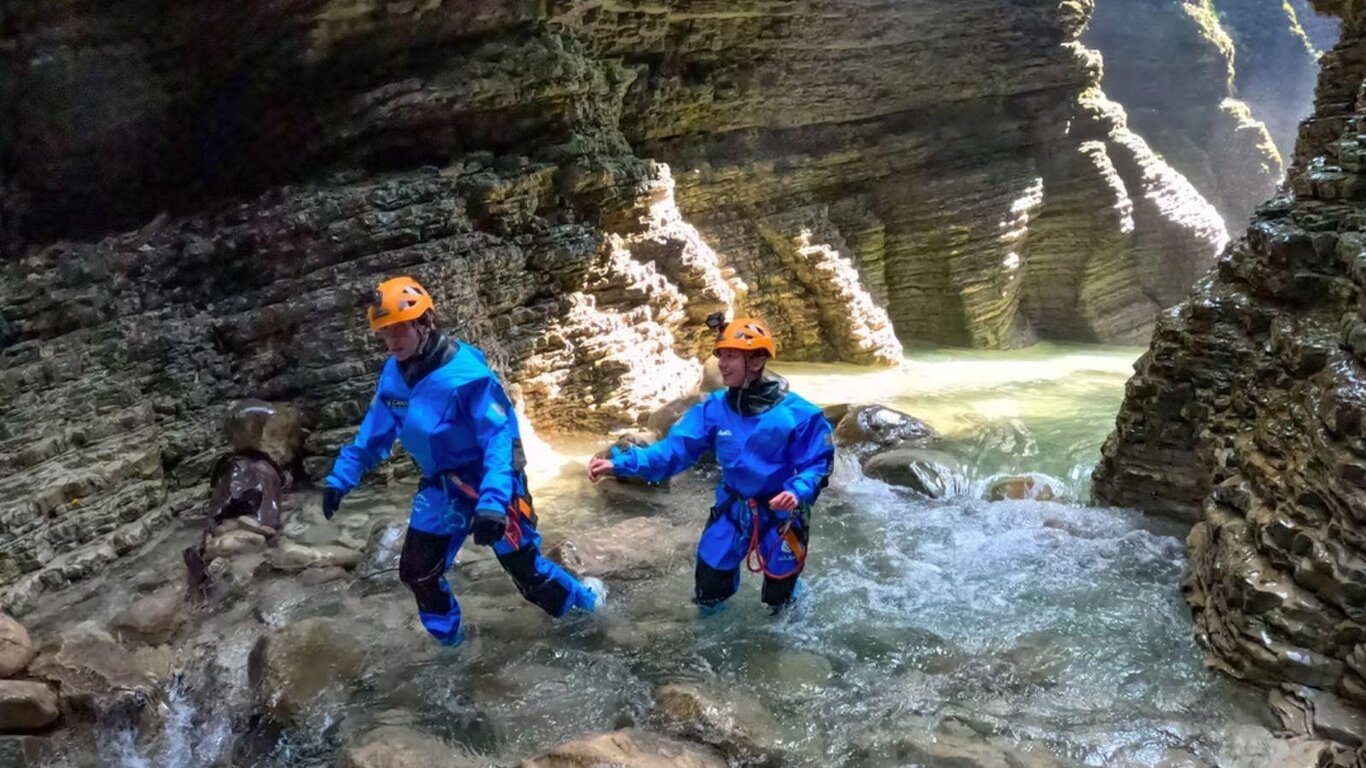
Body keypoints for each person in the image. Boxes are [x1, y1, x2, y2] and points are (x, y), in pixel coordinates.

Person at [323, 276, 604, 646]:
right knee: (417, 573)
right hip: (442, 486)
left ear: (424, 322)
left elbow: (499, 440)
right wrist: (341, 478)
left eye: (399, 330)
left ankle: (588, 605)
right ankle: (453, 645)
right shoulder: (394, 374)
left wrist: (492, 503)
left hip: (493, 481)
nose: (391, 342)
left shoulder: (467, 377)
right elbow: (375, 431)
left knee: (527, 575)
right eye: (384, 333)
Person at [587, 316, 834, 613]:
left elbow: (818, 463)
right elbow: (673, 451)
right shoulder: (713, 409)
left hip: (782, 513)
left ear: (757, 362)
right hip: (734, 508)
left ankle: (787, 609)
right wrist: (619, 464)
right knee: (708, 591)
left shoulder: (801, 415)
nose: (721, 365)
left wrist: (797, 491)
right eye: (721, 356)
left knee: (780, 601)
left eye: (731, 357)